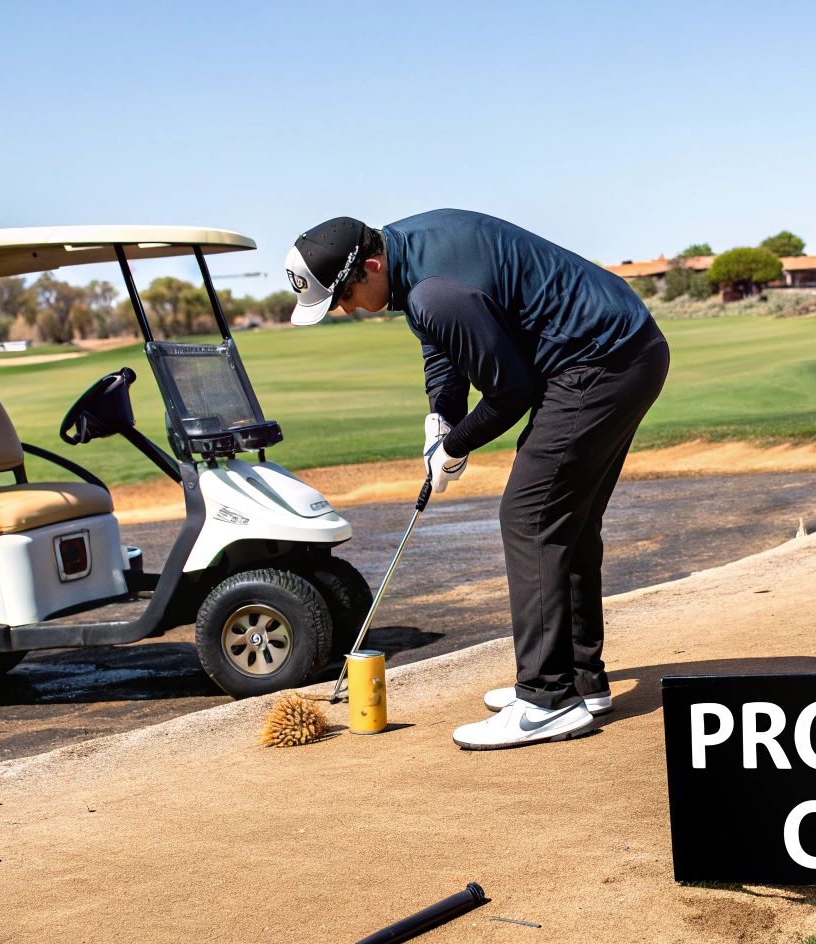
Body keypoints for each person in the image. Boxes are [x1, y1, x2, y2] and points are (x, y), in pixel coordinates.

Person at [285, 210, 669, 750]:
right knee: (567, 519)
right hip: (626, 348)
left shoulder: (432, 292)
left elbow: (509, 393)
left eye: (343, 297)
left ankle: (546, 701)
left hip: (601, 361)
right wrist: (440, 415)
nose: (345, 310)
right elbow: (442, 345)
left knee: (530, 515)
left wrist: (455, 446)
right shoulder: (406, 252)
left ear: (371, 265)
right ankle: (581, 680)